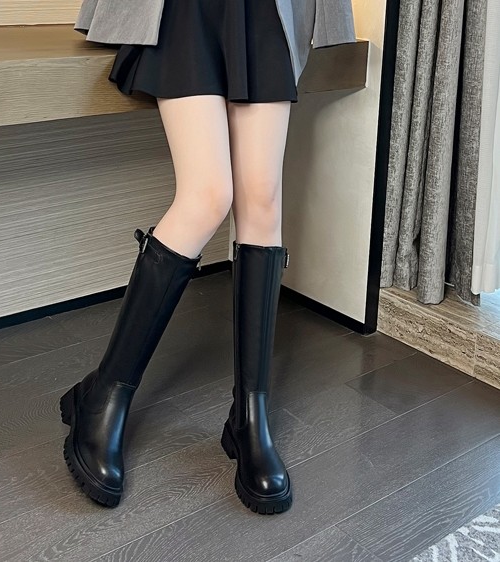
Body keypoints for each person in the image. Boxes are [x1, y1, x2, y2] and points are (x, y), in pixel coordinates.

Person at [60, 0, 356, 516]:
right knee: (207, 196)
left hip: (265, 11)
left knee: (262, 199)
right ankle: (104, 393)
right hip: (190, 11)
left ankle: (249, 418)